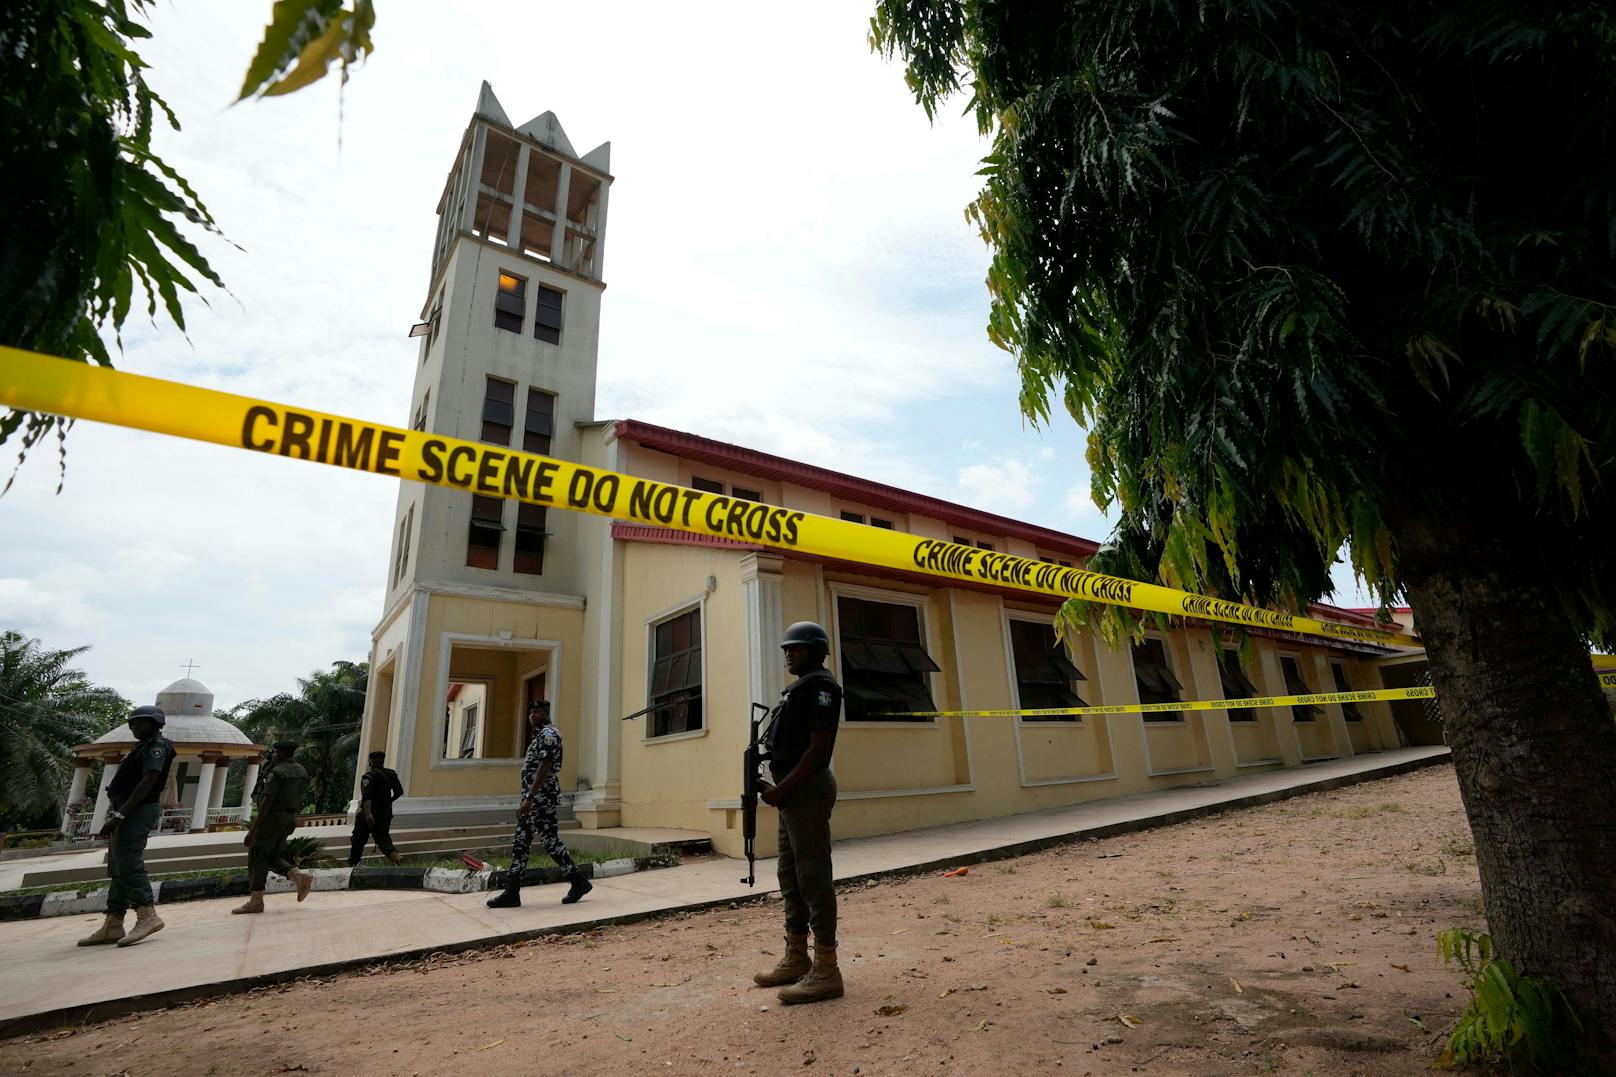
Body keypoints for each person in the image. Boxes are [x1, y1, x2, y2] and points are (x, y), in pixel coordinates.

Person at [752, 621, 844, 1004]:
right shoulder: (797, 690)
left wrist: (781, 790)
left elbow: (818, 751)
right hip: (791, 795)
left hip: (804, 792)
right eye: (786, 648)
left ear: (816, 651)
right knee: (789, 876)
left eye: (797, 648)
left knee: (813, 876)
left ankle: (826, 968)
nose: (788, 654)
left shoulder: (821, 687)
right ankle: (797, 956)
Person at [78, 704, 175, 947]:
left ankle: (147, 915)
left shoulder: (157, 746)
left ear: (154, 724)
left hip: (138, 809)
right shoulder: (141, 746)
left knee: (129, 861)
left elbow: (149, 780)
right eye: (132, 723)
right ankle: (113, 922)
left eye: (140, 722)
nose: (134, 726)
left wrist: (120, 815)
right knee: (118, 864)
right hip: (129, 809)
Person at [486, 700, 591, 908]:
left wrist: (531, 797)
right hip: (533, 799)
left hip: (540, 798)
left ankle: (578, 881)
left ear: (546, 713)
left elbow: (544, 767)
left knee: (548, 842)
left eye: (537, 712)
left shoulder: (549, 735)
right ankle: (512, 892)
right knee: (522, 844)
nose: (533, 715)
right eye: (530, 712)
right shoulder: (539, 736)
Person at [234, 740, 314, 914]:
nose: (274, 754)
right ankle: (298, 876)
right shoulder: (301, 770)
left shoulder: (277, 772)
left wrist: (253, 830)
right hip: (290, 817)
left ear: (283, 752)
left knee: (258, 855)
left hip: (272, 817)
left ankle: (256, 901)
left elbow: (267, 801)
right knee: (273, 855)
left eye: (276, 752)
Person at [348, 750, 404, 866]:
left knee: (358, 838)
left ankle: (354, 863)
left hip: (370, 814)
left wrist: (368, 815)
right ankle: (396, 857)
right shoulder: (391, 774)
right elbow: (399, 792)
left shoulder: (368, 777)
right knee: (383, 838)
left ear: (371, 762)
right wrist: (389, 801)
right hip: (385, 813)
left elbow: (367, 797)